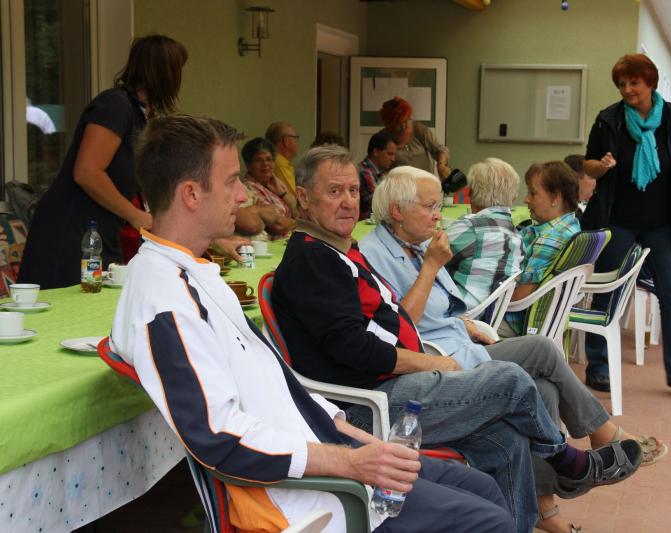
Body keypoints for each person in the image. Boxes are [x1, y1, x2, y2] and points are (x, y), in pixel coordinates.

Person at [110, 113, 516, 533]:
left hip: (329, 452)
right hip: (310, 498)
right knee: (490, 522)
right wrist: (352, 462)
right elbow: (219, 437)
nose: (242, 196)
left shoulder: (195, 274)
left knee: (483, 488)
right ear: (192, 194)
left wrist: (360, 440)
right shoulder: (164, 300)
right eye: (232, 182)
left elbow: (277, 386)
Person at [271, 145, 642, 533]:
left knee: (507, 439)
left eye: (352, 190)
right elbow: (356, 349)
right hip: (369, 404)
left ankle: (529, 513)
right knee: (510, 379)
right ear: (304, 197)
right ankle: (569, 463)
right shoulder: (313, 260)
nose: (349, 201)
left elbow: (392, 321)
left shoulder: (341, 252)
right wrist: (432, 362)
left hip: (399, 383)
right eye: (334, 191)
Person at [361, 166, 663, 533]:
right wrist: (430, 267)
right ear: (397, 210)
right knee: (538, 366)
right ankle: (575, 461)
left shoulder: (420, 243)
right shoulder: (375, 254)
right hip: (437, 362)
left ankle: (550, 500)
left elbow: (445, 307)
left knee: (543, 370)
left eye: (438, 205)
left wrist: (466, 323)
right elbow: (399, 326)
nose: (438, 215)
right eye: (430, 206)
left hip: (462, 344)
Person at [19, 34, 187, 289]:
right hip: (69, 234)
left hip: (98, 234)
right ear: (163, 72)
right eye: (178, 70)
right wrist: (135, 216)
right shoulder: (115, 105)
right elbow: (87, 172)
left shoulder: (139, 115)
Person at [581, 53, 671, 394]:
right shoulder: (608, 119)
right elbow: (588, 164)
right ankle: (598, 366)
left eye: (634, 82)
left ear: (650, 82)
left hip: (662, 223)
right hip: (618, 220)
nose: (627, 89)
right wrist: (602, 166)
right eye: (622, 84)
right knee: (608, 291)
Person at [502, 161, 582, 337]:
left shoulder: (550, 240)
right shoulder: (571, 226)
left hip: (513, 323)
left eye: (533, 193)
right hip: (553, 322)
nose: (526, 199)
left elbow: (518, 297)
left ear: (555, 198)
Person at [444, 157, 523, 309]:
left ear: (471, 193)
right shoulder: (516, 234)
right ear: (513, 198)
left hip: (462, 309)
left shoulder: (472, 227)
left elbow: (429, 256)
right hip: (496, 310)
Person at [239, 137, 296, 238]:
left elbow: (297, 212)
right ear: (248, 165)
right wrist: (301, 223)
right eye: (258, 160)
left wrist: (283, 194)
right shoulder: (247, 190)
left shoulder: (275, 184)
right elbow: (278, 226)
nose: (265, 164)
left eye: (269, 159)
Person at [379, 96, 450, 177]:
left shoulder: (418, 128)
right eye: (399, 124)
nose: (404, 126)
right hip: (402, 183)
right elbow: (382, 167)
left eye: (406, 121)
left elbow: (441, 149)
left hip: (426, 180)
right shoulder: (383, 137)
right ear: (389, 124)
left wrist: (441, 165)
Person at [359, 131, 397, 220]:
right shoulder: (364, 172)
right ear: (376, 151)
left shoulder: (379, 172)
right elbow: (380, 202)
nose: (393, 159)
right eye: (390, 154)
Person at [264, 121, 300, 215]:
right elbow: (295, 201)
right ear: (286, 141)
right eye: (295, 138)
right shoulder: (279, 164)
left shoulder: (281, 162)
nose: (297, 143)